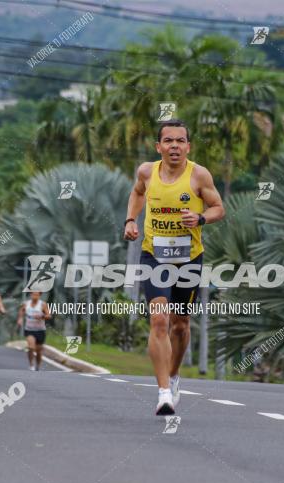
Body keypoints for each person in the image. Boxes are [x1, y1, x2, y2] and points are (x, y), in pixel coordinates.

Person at [123, 120, 225, 415]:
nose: (175, 146)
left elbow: (219, 207)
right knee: (159, 321)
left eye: (180, 141)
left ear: (188, 147)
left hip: (189, 258)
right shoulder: (146, 171)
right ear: (159, 147)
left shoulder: (198, 175)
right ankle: (164, 391)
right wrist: (131, 220)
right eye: (168, 141)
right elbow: (138, 193)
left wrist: (201, 218)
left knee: (180, 325)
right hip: (154, 256)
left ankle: (175, 373)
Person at [17, 290, 51, 371]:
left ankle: (38, 365)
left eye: (37, 295)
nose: (35, 296)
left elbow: (49, 316)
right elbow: (21, 311)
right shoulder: (26, 304)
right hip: (29, 329)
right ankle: (31, 364)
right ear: (31, 294)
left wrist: (42, 316)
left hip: (40, 330)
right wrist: (20, 319)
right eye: (33, 294)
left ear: (40, 295)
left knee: (39, 351)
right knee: (31, 347)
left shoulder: (42, 304)